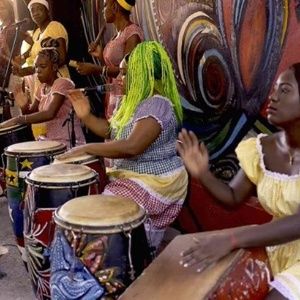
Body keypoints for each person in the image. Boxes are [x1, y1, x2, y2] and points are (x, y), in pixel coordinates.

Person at [176, 63, 300, 299]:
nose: (272, 97)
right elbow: (232, 197)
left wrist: (231, 239)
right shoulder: (262, 148)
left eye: (284, 90)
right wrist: (203, 173)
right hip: (277, 249)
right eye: (274, 89)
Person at [57, 41, 188, 251]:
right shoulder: (133, 104)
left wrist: (87, 148)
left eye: (126, 73)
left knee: (102, 225)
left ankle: (137, 258)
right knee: (94, 220)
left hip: (154, 183)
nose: (120, 78)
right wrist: (86, 115)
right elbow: (111, 131)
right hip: (133, 179)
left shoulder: (158, 104)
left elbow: (132, 146)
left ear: (143, 74)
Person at [0, 39, 85, 148]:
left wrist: (18, 119)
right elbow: (30, 114)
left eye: (43, 66)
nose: (38, 70)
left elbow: (50, 113)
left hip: (69, 143)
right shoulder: (42, 88)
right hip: (52, 143)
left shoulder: (63, 83)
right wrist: (24, 106)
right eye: (36, 67)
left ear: (54, 67)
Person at [76, 0, 144, 119]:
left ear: (115, 7)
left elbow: (126, 71)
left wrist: (95, 69)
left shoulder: (132, 33)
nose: (103, 10)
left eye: (105, 5)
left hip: (125, 96)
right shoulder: (117, 35)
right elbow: (112, 68)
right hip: (113, 94)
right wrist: (101, 56)